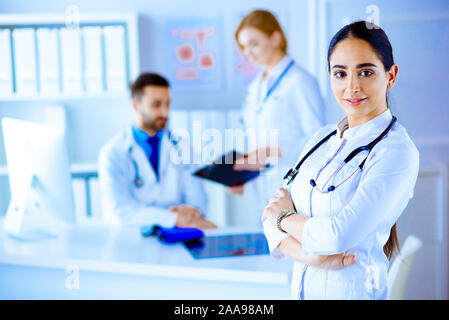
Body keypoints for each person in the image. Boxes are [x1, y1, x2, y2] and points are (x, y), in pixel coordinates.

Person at [262, 20, 420, 300]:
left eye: (366, 72)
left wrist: (284, 218)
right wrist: (313, 258)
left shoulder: (396, 151)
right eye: (340, 74)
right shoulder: (321, 139)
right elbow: (266, 217)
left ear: (391, 75)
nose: (352, 87)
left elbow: (337, 235)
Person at [231, 9, 326, 221]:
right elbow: (254, 136)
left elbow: (319, 141)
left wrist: (275, 152)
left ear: (275, 38)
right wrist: (239, 174)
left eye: (253, 44)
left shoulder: (300, 82)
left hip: (295, 189)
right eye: (243, 48)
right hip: (263, 189)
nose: (248, 53)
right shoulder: (256, 86)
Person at [98, 72, 217, 230]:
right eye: (156, 104)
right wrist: (172, 218)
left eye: (168, 104)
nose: (165, 112)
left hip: (179, 236)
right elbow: (122, 211)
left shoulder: (182, 146)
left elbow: (198, 199)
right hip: (133, 239)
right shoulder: (113, 153)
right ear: (136, 105)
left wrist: (192, 211)